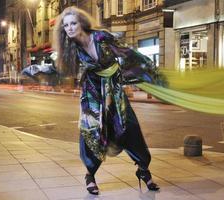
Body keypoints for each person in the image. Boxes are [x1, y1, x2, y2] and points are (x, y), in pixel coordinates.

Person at [53, 7, 160, 195]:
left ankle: (143, 170)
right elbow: (60, 72)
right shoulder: (71, 49)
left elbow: (127, 52)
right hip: (92, 92)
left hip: (114, 88)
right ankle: (90, 175)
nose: (69, 28)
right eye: (66, 25)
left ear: (82, 23)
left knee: (128, 126)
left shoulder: (101, 37)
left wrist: (149, 70)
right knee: (93, 131)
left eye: (73, 23)